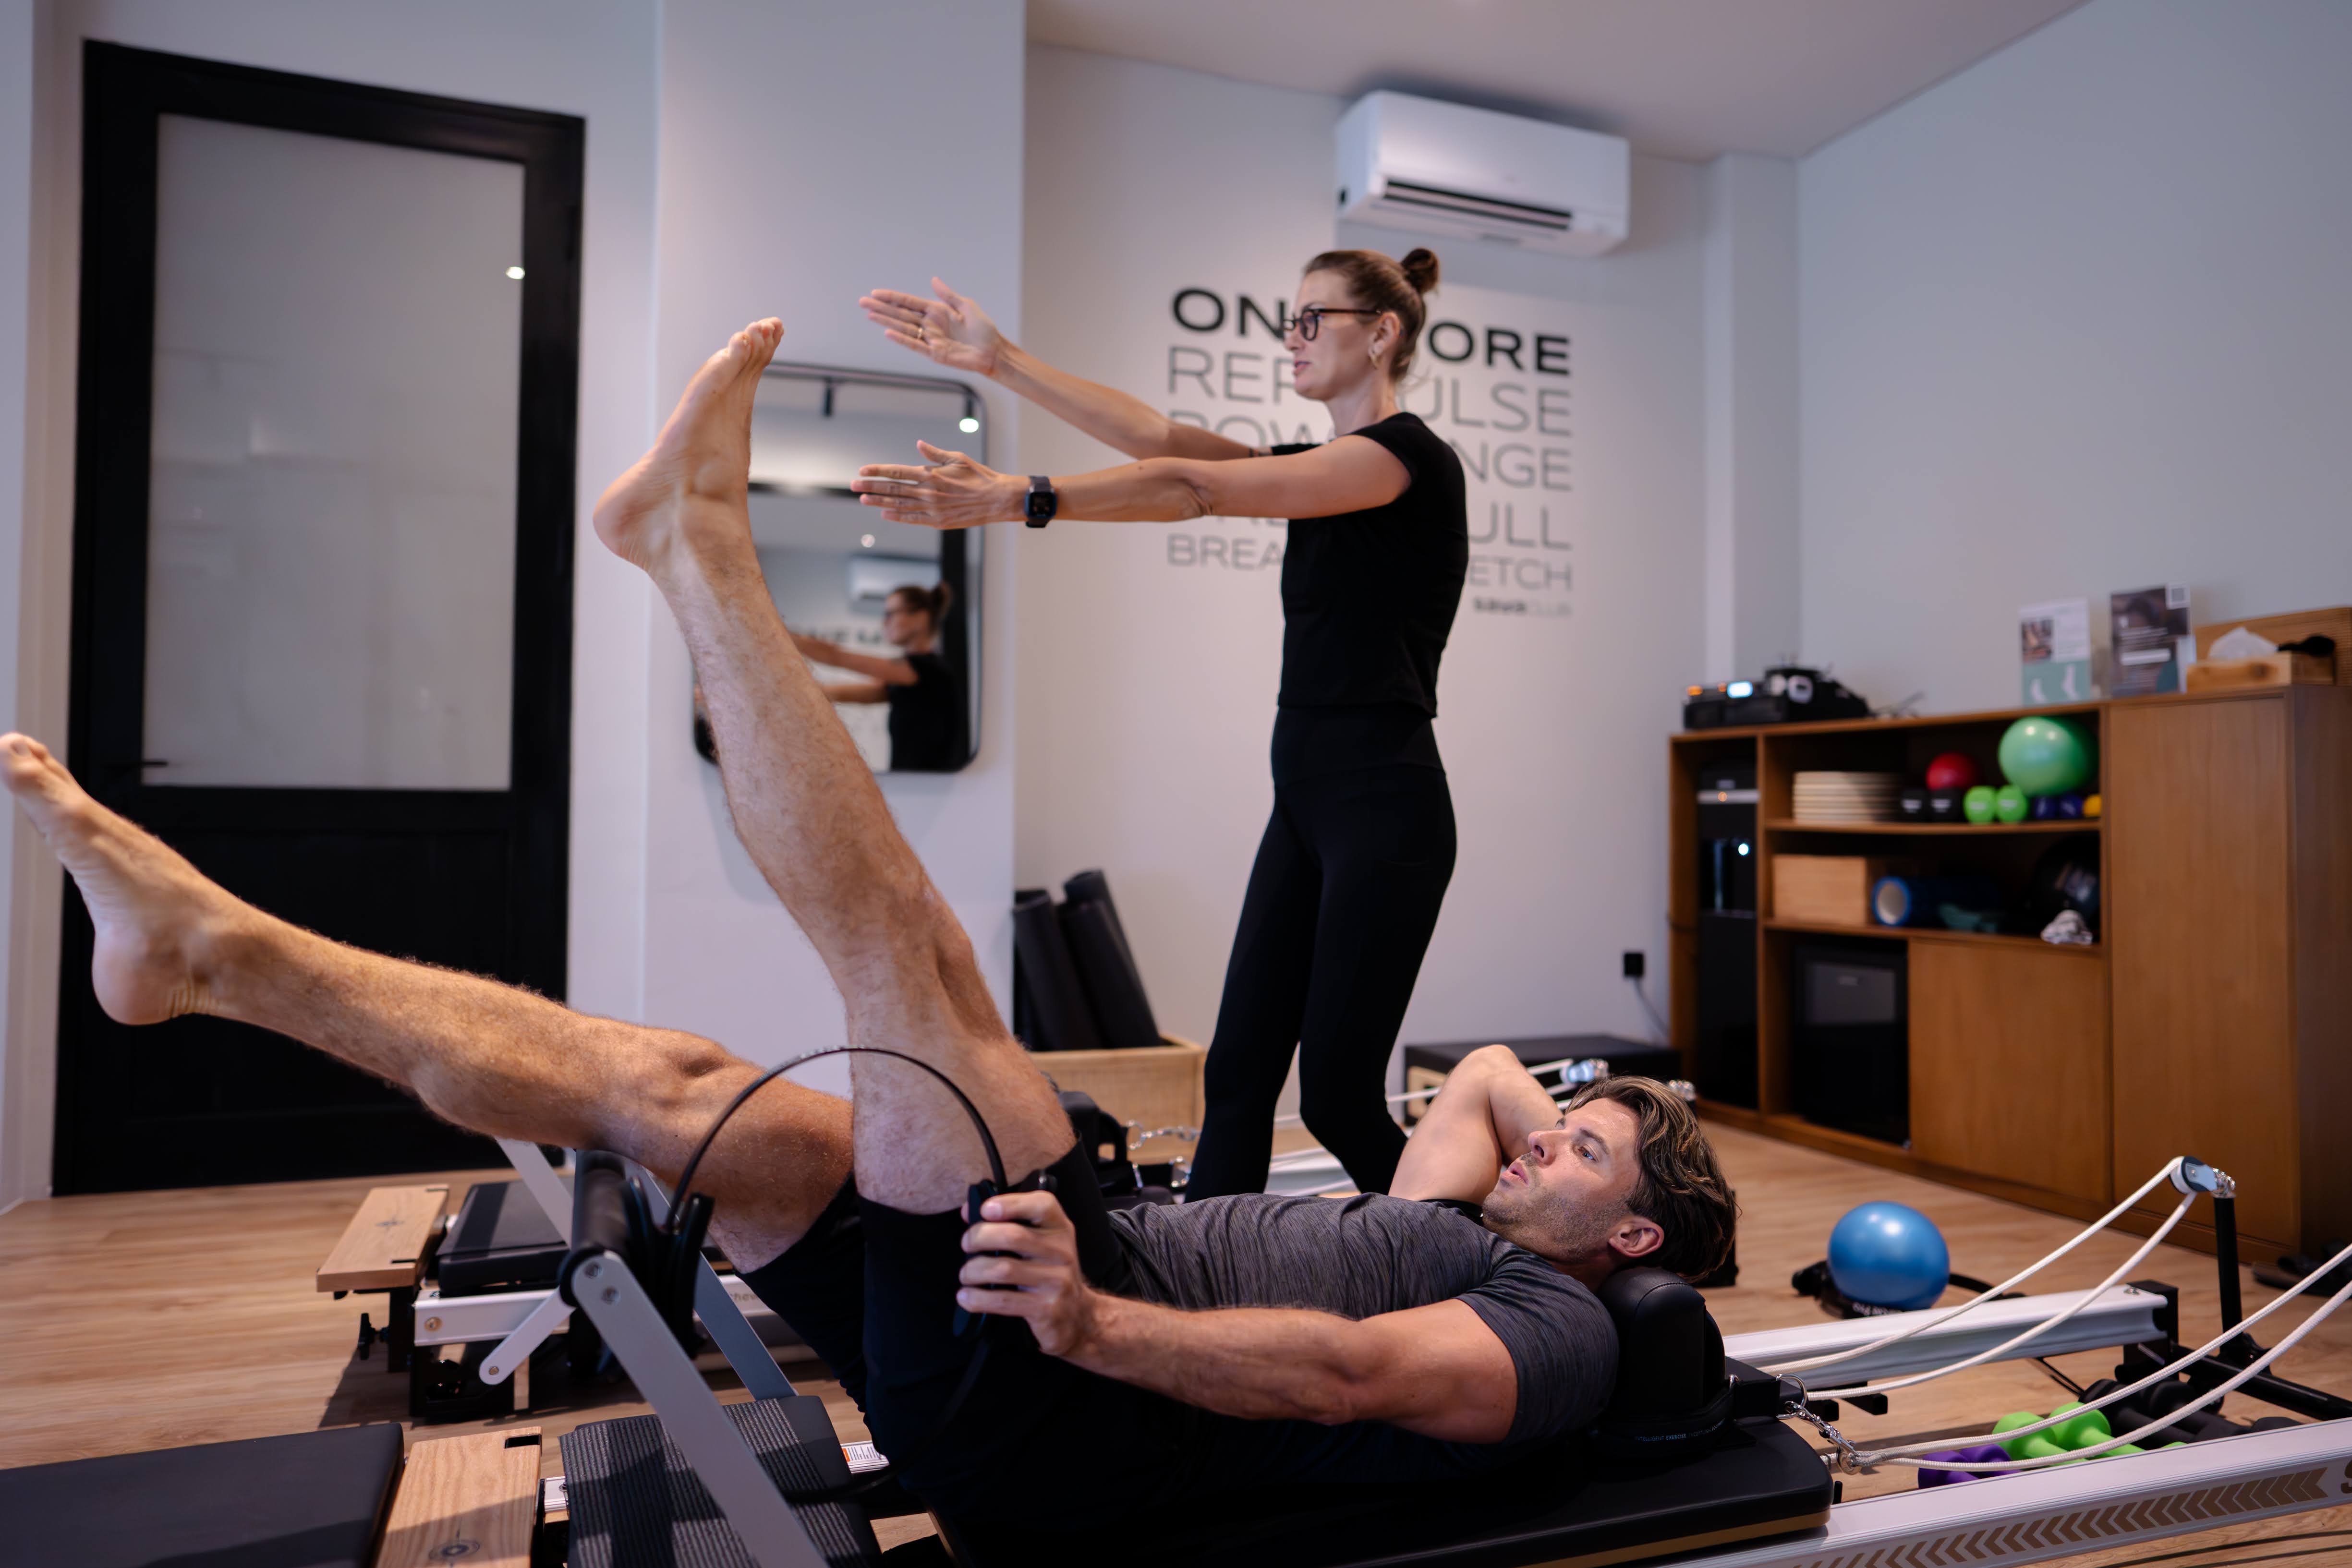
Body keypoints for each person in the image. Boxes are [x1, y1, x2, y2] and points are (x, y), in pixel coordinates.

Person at [0, 320, 1734, 1527]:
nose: (1533, 1135)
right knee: (671, 1087)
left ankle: (695, 548)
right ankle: (208, 955)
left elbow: (1352, 1374)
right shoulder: (1473, 1220)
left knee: (917, 960)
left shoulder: (1556, 1331)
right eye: (1557, 1132)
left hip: (1065, 1361)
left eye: (1576, 1153)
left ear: (1635, 1245)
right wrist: (1606, 1130)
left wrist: (1098, 1320)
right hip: (1057, 1309)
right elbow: (1495, 1069)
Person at [857, 249, 1468, 1198]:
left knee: (1342, 1095)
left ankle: (1502, 1264)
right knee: (1235, 1077)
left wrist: (1021, 497)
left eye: (1314, 319)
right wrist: (1002, 361)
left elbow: (1192, 485)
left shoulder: (1405, 460)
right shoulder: (1319, 470)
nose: (1292, 339)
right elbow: (1156, 438)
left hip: (1384, 805)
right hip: (1308, 804)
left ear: (1380, 333)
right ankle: (1199, 1303)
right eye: (1290, 320)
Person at [793, 581, 968, 771]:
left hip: (930, 791)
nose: (885, 623)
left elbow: (836, 656)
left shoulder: (927, 670)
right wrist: (797, 692)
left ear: (920, 618)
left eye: (891, 614)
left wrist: (776, 634)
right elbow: (861, 693)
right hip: (920, 788)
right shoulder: (912, 677)